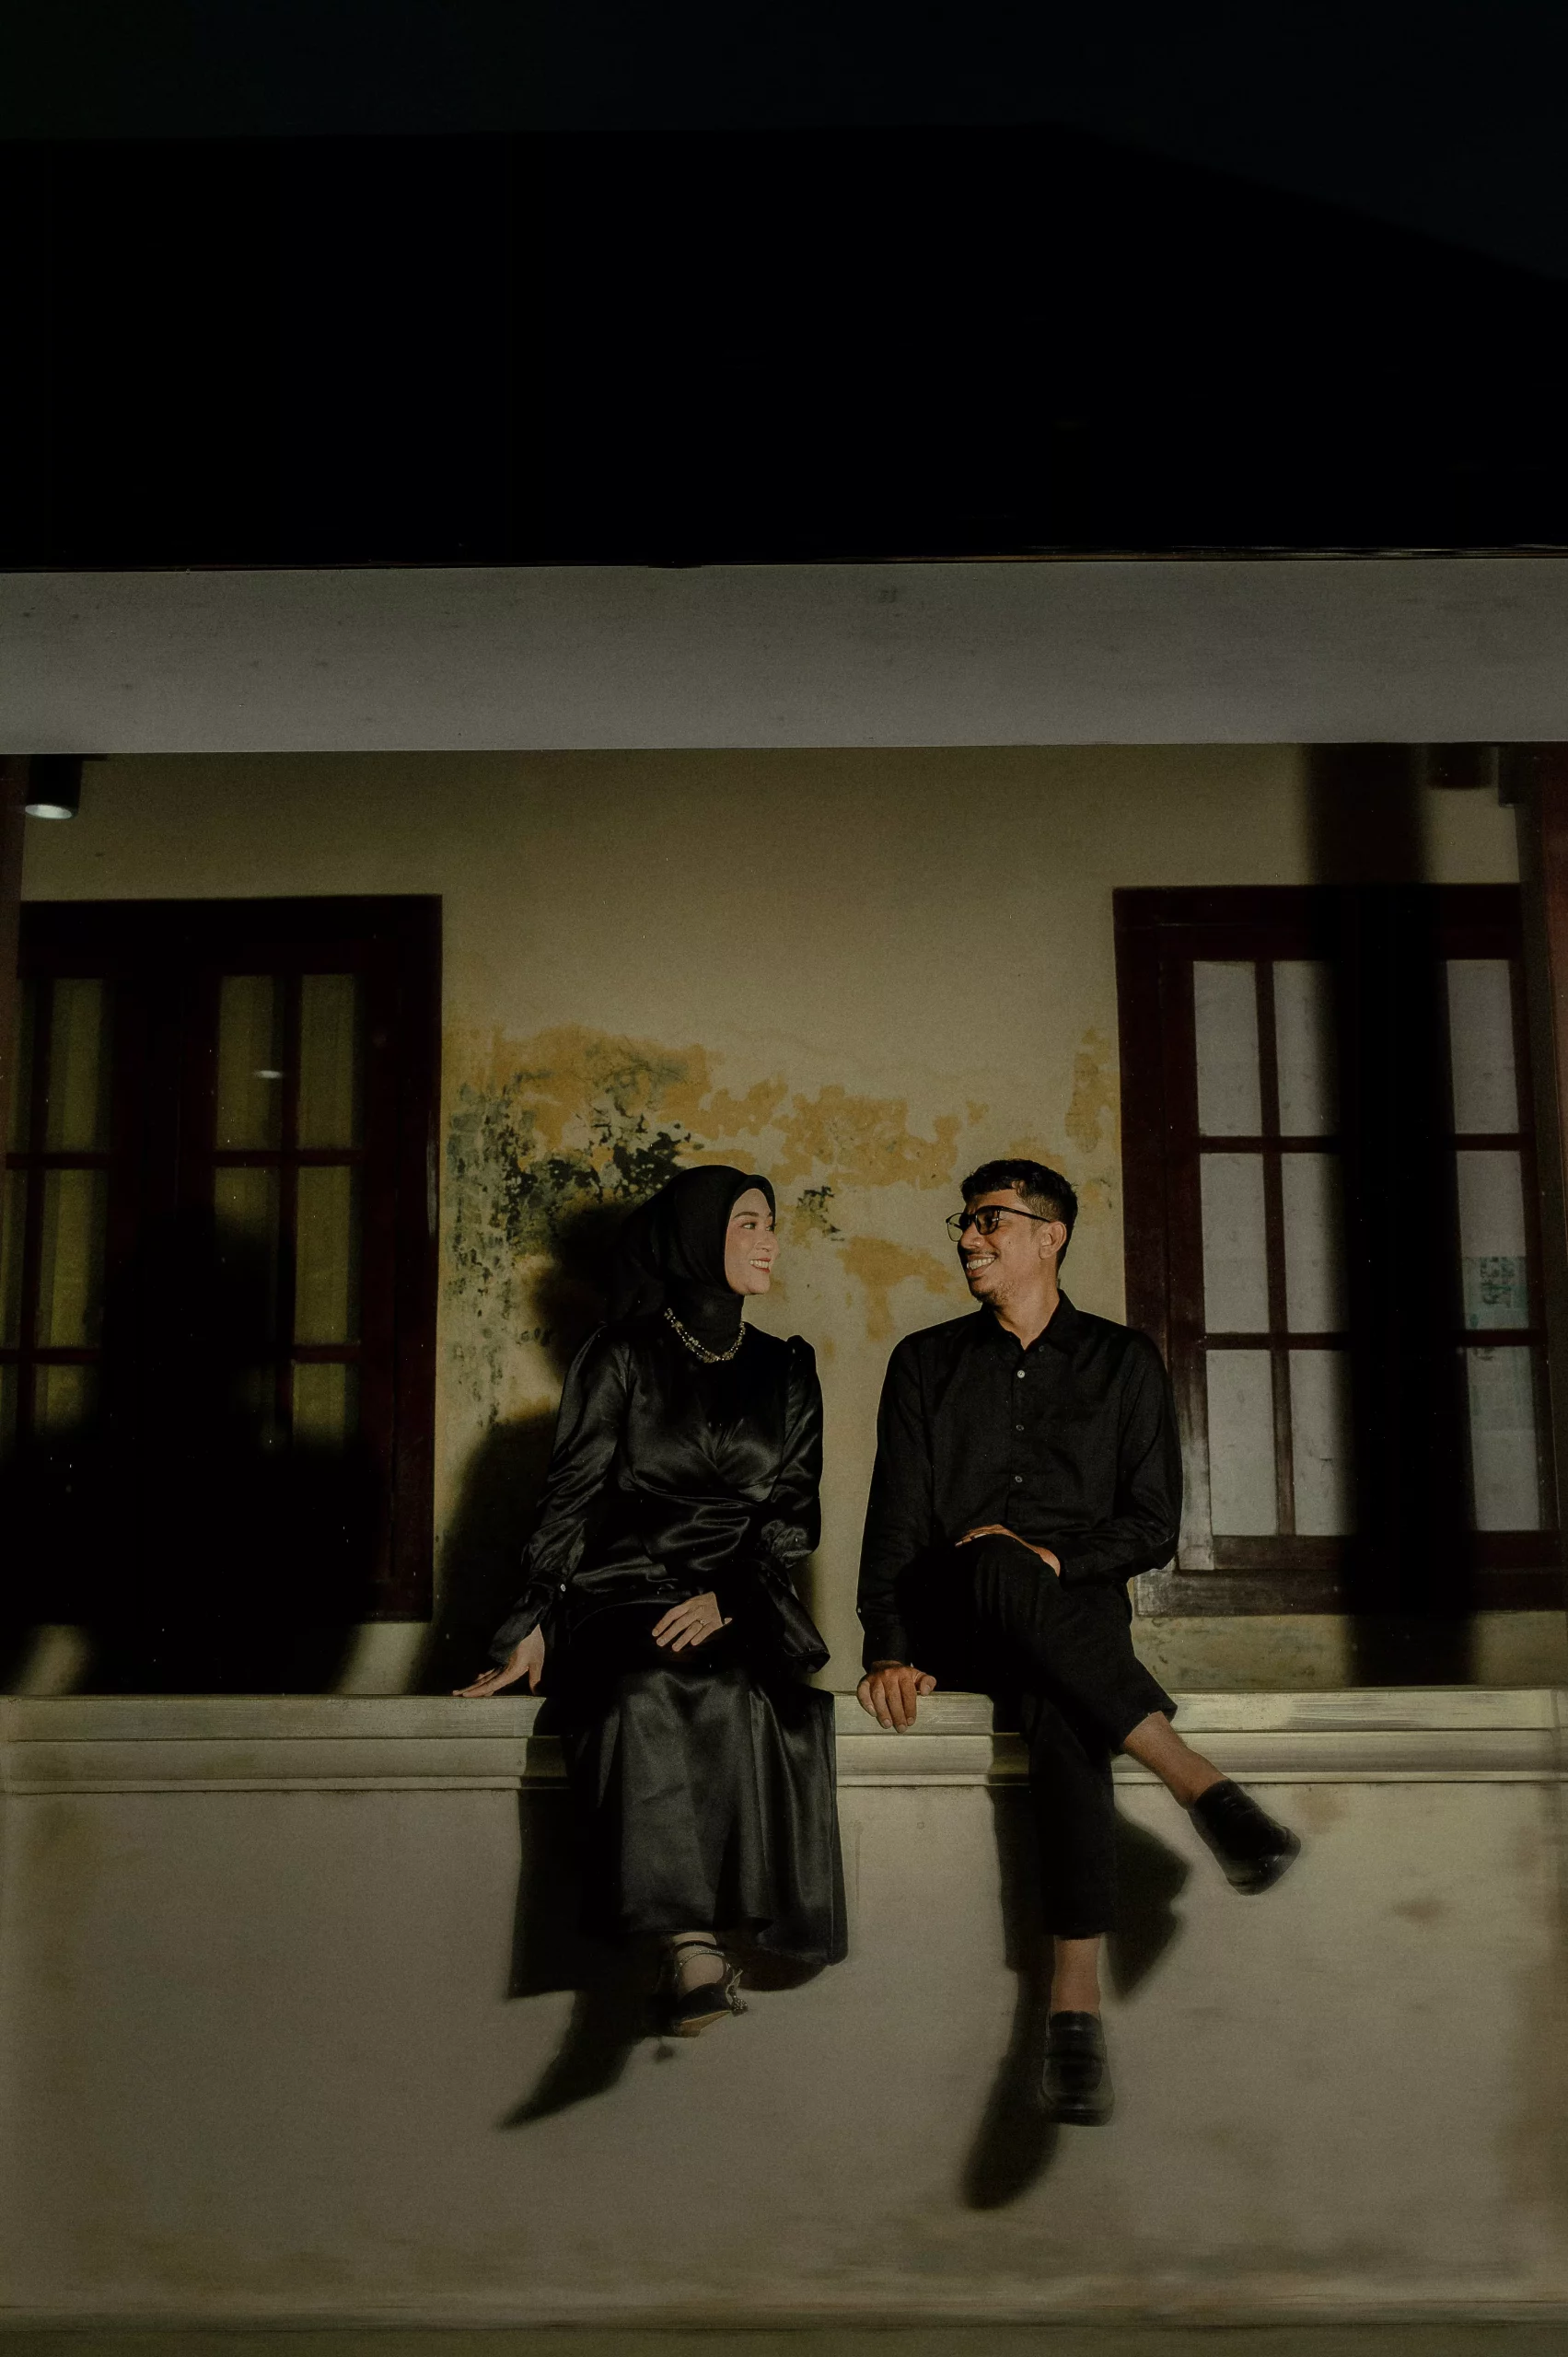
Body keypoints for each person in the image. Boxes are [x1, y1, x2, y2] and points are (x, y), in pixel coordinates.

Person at [855, 1157, 1298, 2125]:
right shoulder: (925, 1362)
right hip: (960, 1616)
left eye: (988, 1221)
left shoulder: (1123, 1360)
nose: (967, 1238)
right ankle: (1200, 1787)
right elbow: (894, 1520)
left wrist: (1052, 1558)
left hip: (1070, 1626)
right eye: (962, 1223)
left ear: (1048, 1235)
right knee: (990, 1559)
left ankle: (1071, 2008)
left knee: (1062, 1701)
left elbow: (1151, 1525)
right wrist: (886, 1646)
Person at [458, 1165, 845, 2033]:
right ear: (697, 1239)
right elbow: (572, 1493)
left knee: (738, 1690)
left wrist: (729, 1598)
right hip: (621, 1587)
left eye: (771, 1223)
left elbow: (793, 1515)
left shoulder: (787, 1368)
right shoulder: (621, 1353)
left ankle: (706, 1946)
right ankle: (690, 1949)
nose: (769, 1242)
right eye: (748, 1224)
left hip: (738, 1594)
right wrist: (531, 1618)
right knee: (642, 1690)